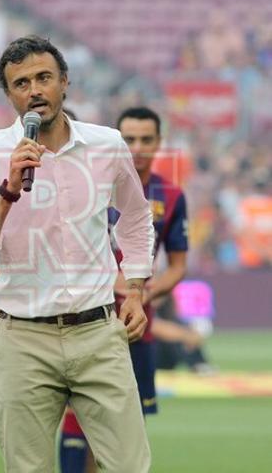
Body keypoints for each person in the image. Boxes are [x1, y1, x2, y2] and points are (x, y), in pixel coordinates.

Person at [0, 35, 154, 472]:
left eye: (44, 78)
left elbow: (135, 217)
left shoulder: (108, 144)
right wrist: (5, 193)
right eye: (21, 83)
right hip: (23, 337)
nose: (34, 90)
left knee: (130, 467)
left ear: (65, 81)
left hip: (98, 331)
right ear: (9, 96)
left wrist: (134, 289)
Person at [58, 106, 190, 472]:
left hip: (136, 327)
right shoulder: (90, 181)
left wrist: (143, 292)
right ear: (116, 140)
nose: (138, 147)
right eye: (129, 139)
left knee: (126, 434)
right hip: (85, 317)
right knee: (76, 428)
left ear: (160, 142)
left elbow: (178, 266)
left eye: (147, 139)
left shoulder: (172, 196)